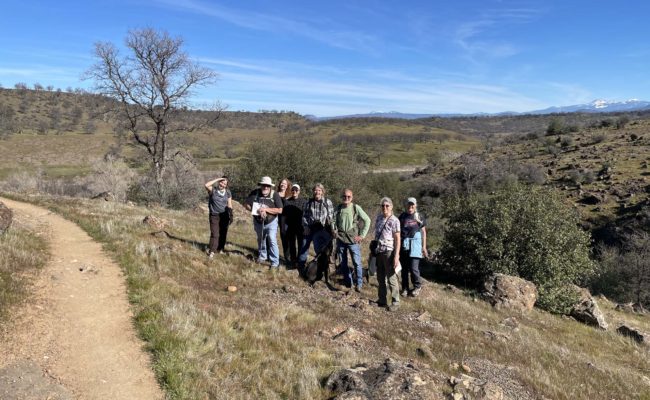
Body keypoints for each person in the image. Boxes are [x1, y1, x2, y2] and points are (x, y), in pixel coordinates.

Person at [333, 189, 371, 291]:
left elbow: (367, 220)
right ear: (342, 197)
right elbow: (333, 220)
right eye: (344, 196)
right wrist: (334, 230)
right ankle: (348, 282)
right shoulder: (338, 208)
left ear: (352, 198)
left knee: (357, 263)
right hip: (341, 239)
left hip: (353, 240)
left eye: (349, 197)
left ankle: (359, 284)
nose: (346, 198)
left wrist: (362, 235)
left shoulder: (355, 207)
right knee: (343, 263)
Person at [244, 176, 283, 269]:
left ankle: (275, 262)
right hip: (258, 222)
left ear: (270, 186)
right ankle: (262, 256)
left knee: (272, 239)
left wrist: (266, 209)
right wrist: (256, 210)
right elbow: (246, 205)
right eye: (264, 185)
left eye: (267, 186)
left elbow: (280, 210)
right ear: (261, 185)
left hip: (271, 222)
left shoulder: (275, 195)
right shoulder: (255, 193)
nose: (265, 187)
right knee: (260, 239)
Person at [298, 183, 334, 276]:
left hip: (322, 229)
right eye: (315, 190)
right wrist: (305, 226)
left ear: (322, 191)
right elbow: (304, 216)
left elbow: (331, 217)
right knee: (304, 247)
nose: (317, 192)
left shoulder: (327, 202)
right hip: (310, 228)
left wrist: (332, 230)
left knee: (321, 251)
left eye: (319, 190)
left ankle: (322, 270)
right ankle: (301, 268)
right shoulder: (308, 202)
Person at [374, 197, 401, 311]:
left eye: (387, 205)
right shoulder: (379, 218)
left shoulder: (395, 220)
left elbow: (398, 239)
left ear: (391, 207)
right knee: (380, 277)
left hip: (389, 251)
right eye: (383, 206)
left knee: (391, 278)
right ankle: (382, 300)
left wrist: (396, 255)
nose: (384, 208)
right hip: (379, 250)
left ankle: (395, 302)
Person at [398, 197, 428, 297]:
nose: (410, 207)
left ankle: (417, 286)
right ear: (405, 205)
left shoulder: (419, 216)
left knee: (414, 268)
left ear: (415, 205)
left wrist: (424, 247)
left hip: (415, 246)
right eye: (408, 204)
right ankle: (405, 288)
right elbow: (398, 232)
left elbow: (423, 232)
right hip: (404, 245)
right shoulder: (402, 216)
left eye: (412, 205)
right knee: (404, 269)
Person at [204, 176, 232, 258]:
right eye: (221, 182)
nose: (222, 184)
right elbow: (206, 185)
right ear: (219, 182)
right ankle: (212, 251)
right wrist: (217, 179)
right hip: (214, 215)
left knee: (223, 233)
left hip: (224, 215)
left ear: (226, 185)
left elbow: (229, 204)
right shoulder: (213, 190)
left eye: (224, 184)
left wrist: (231, 214)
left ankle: (220, 249)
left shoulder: (228, 192)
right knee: (215, 233)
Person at [282, 184, 306, 268]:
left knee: (300, 244)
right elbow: (284, 215)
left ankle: (299, 261)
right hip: (290, 226)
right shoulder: (287, 201)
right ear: (291, 191)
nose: (294, 191)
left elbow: (306, 215)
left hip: (300, 226)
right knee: (292, 245)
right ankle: (293, 261)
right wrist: (283, 227)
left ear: (299, 191)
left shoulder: (304, 202)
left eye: (296, 190)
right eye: (293, 190)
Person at [276, 178, 292, 264]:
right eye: (282, 183)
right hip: (275, 217)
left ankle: (288, 257)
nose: (283, 185)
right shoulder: (275, 194)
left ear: (287, 185)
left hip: (286, 219)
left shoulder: (289, 195)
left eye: (285, 184)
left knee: (286, 238)